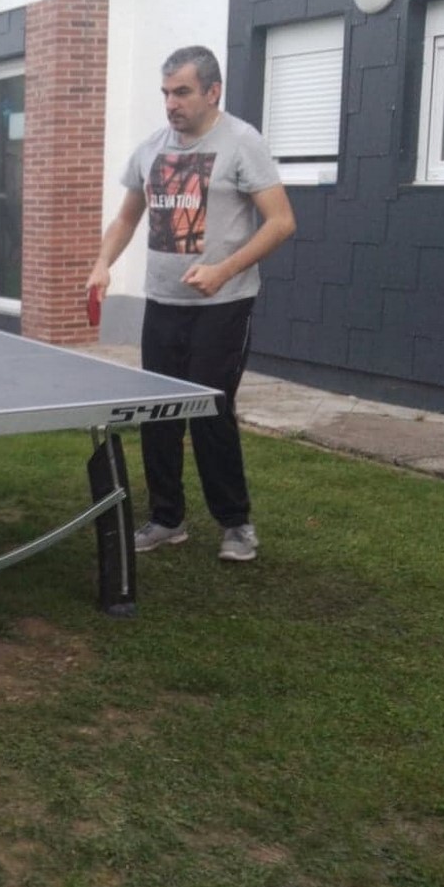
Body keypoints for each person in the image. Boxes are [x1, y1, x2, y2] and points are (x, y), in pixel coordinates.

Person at [85, 46, 296, 562]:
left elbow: (282, 222)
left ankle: (236, 524)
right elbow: (126, 218)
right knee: (159, 414)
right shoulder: (151, 149)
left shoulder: (243, 143)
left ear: (212, 91)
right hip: (163, 303)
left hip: (224, 304)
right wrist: (102, 263)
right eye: (165, 93)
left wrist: (224, 270)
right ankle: (166, 519)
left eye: (181, 92)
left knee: (210, 412)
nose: (171, 104)